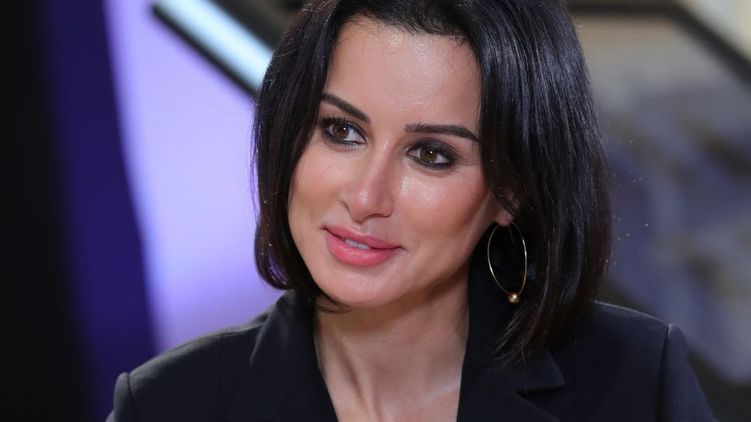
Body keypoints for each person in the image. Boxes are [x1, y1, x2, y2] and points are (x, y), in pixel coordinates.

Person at [107, 0, 715, 421]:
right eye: (341, 131)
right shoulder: (166, 406)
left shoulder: (636, 381)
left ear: (511, 191)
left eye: (431, 155)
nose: (366, 198)